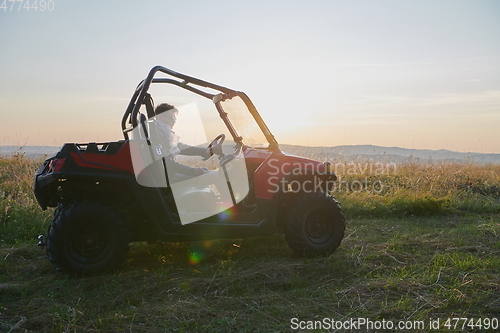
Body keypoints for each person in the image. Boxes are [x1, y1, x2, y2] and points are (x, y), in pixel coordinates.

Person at [153, 103, 222, 182]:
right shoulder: (156, 135)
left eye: (175, 118)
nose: (174, 121)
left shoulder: (163, 132)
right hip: (171, 179)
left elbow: (183, 147)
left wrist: (206, 151)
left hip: (170, 176)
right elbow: (166, 163)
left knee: (204, 169)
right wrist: (192, 171)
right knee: (217, 176)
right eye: (171, 118)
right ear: (161, 117)